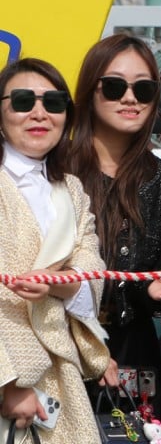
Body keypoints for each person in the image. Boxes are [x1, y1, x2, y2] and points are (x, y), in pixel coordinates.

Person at [67, 34, 161, 419]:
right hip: (59, 353)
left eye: (144, 88)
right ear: (89, 91)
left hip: (138, 358)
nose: (130, 98)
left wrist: (155, 292)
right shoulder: (54, 173)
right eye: (115, 86)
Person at [0, 58, 111, 440]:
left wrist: (54, 284)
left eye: (53, 103)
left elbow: (91, 274)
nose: (39, 113)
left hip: (58, 375)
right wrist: (7, 383)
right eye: (22, 101)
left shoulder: (73, 191)